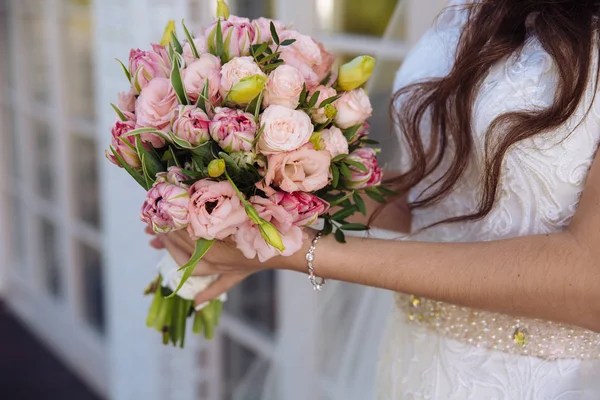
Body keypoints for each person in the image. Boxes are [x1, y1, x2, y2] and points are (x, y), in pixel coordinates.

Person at [149, 0, 600, 397]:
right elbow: (447, 196)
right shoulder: (476, 7)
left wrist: (295, 250)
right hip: (415, 363)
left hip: (546, 380)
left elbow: (589, 280)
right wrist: (271, 198)